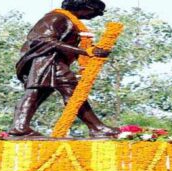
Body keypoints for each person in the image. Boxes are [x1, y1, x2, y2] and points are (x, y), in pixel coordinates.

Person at [9, 0, 119, 137]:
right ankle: (97, 127)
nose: (97, 15)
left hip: (51, 61)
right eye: (97, 12)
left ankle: (19, 126)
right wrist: (85, 52)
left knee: (37, 94)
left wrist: (91, 50)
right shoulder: (56, 17)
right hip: (47, 60)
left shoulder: (69, 20)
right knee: (72, 91)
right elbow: (43, 40)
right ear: (85, 7)